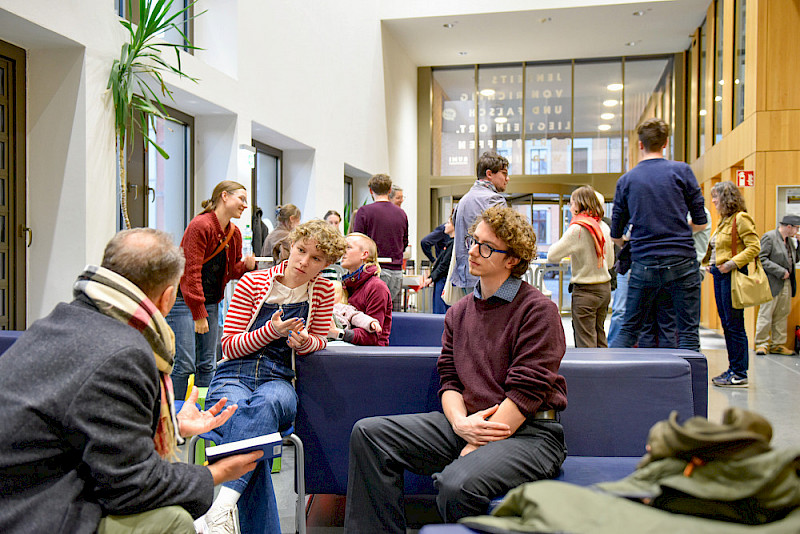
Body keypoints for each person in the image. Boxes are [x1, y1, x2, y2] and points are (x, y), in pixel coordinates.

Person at [0, 228, 262, 534]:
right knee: (173, 520)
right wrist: (214, 474)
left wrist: (173, 426)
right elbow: (131, 486)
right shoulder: (125, 352)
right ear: (168, 297)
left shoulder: (61, 320)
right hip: (27, 510)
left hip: (21, 485)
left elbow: (81, 423)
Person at [344, 206, 567, 533]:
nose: (473, 252)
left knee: (457, 484)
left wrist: (477, 444)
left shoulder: (537, 310)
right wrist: (461, 424)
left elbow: (527, 393)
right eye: (473, 241)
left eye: (486, 247)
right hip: (471, 420)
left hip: (530, 433)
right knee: (369, 434)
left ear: (512, 260)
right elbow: (449, 379)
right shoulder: (460, 311)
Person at [198, 220, 346, 534]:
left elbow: (320, 339)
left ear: (327, 264)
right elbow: (229, 346)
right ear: (291, 246)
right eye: (301, 250)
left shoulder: (321, 290)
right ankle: (222, 513)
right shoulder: (252, 282)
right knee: (250, 431)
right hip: (233, 373)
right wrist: (271, 331)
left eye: (316, 258)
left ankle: (219, 507)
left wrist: (304, 342)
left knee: (265, 405)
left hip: (279, 377)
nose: (304, 261)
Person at [610, 117, 708, 352]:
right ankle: (688, 388)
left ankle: (615, 382)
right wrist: (680, 229)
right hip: (682, 263)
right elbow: (701, 222)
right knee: (686, 333)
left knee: (628, 329)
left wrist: (634, 238)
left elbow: (615, 234)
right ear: (665, 144)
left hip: (644, 265)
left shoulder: (627, 180)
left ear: (640, 145)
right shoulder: (682, 171)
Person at [167, 180, 256, 401]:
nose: (245, 205)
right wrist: (198, 313)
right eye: (241, 199)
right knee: (185, 364)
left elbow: (231, 271)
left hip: (210, 303)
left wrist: (246, 266)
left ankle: (204, 416)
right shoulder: (201, 225)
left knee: (207, 365)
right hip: (184, 302)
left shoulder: (233, 233)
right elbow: (191, 271)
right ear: (224, 196)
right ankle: (176, 417)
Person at [703, 181, 761, 388]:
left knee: (734, 325)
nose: (713, 201)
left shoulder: (741, 219)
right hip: (720, 275)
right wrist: (710, 265)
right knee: (727, 324)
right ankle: (733, 368)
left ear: (726, 198)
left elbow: (754, 247)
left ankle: (739, 372)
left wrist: (730, 264)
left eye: (716, 197)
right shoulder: (724, 221)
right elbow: (718, 248)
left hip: (733, 275)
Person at [547, 186, 614, 348]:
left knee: (585, 342)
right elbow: (610, 263)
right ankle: (606, 372)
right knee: (600, 337)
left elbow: (552, 255)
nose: (570, 208)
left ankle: (589, 374)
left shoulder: (578, 229)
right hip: (604, 290)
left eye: (571, 204)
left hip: (585, 292)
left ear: (579, 205)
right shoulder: (603, 227)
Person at [451, 151, 509, 301]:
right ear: (489, 174)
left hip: (465, 273)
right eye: (504, 173)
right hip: (489, 276)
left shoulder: (462, 201)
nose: (507, 179)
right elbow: (504, 241)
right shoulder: (495, 200)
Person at [352, 174, 408, 311]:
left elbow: (357, 242)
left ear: (371, 190)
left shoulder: (364, 212)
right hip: (396, 271)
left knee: (371, 316)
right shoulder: (401, 214)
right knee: (393, 317)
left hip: (373, 271)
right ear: (390, 190)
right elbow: (405, 242)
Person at [329, 232, 392, 345]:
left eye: (348, 247)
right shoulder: (346, 285)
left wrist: (338, 333)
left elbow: (373, 336)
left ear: (364, 254)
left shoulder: (377, 287)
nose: (342, 252)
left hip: (369, 354)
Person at [754, 214, 800, 356]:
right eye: (796, 228)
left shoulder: (790, 242)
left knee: (782, 313)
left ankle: (777, 344)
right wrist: (780, 271)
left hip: (786, 283)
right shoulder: (770, 237)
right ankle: (761, 343)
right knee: (766, 312)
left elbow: (795, 259)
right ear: (788, 227)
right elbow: (762, 258)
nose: (797, 231)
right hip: (772, 282)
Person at [421, 213, 455, 314]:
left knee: (441, 313)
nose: (445, 225)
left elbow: (444, 265)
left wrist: (432, 277)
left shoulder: (453, 245)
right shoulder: (449, 245)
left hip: (443, 281)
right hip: (441, 280)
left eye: (448, 223)